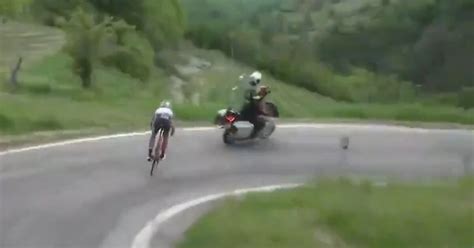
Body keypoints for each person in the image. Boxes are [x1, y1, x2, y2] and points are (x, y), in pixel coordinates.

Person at [239, 71, 269, 138]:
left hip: (240, 109)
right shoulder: (256, 90)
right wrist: (264, 112)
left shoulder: (245, 85)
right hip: (249, 112)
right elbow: (258, 104)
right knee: (262, 123)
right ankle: (252, 135)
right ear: (258, 80)